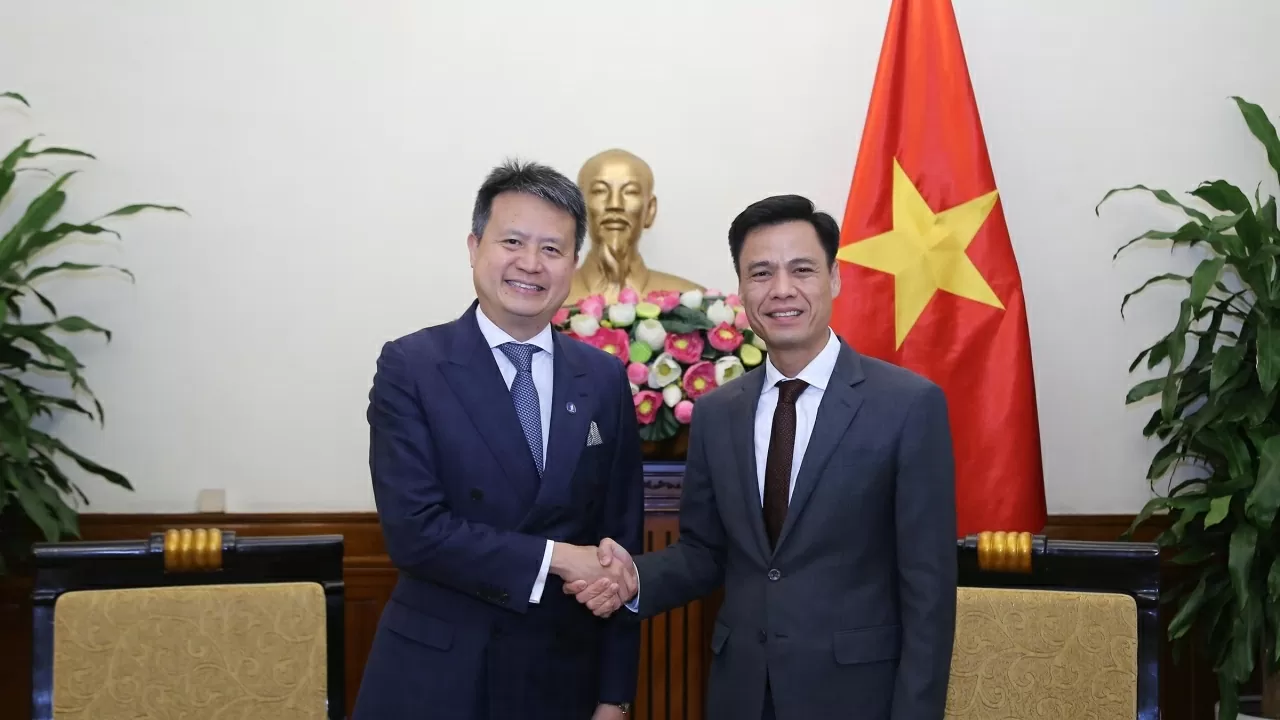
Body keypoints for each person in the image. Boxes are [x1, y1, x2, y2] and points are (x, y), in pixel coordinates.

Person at [567, 195, 958, 719]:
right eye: (761, 273)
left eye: (802, 270)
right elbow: (704, 553)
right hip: (742, 694)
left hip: (857, 696)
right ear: (741, 289)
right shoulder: (715, 412)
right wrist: (635, 577)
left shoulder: (908, 405)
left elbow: (929, 591)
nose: (782, 289)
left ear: (834, 278)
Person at [353, 160, 643, 720]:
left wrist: (615, 696)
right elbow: (415, 532)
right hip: (439, 680)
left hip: (560, 679)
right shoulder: (412, 366)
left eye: (552, 249)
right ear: (474, 247)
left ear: (573, 264)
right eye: (512, 241)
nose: (530, 263)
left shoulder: (603, 377)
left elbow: (620, 550)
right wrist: (558, 558)